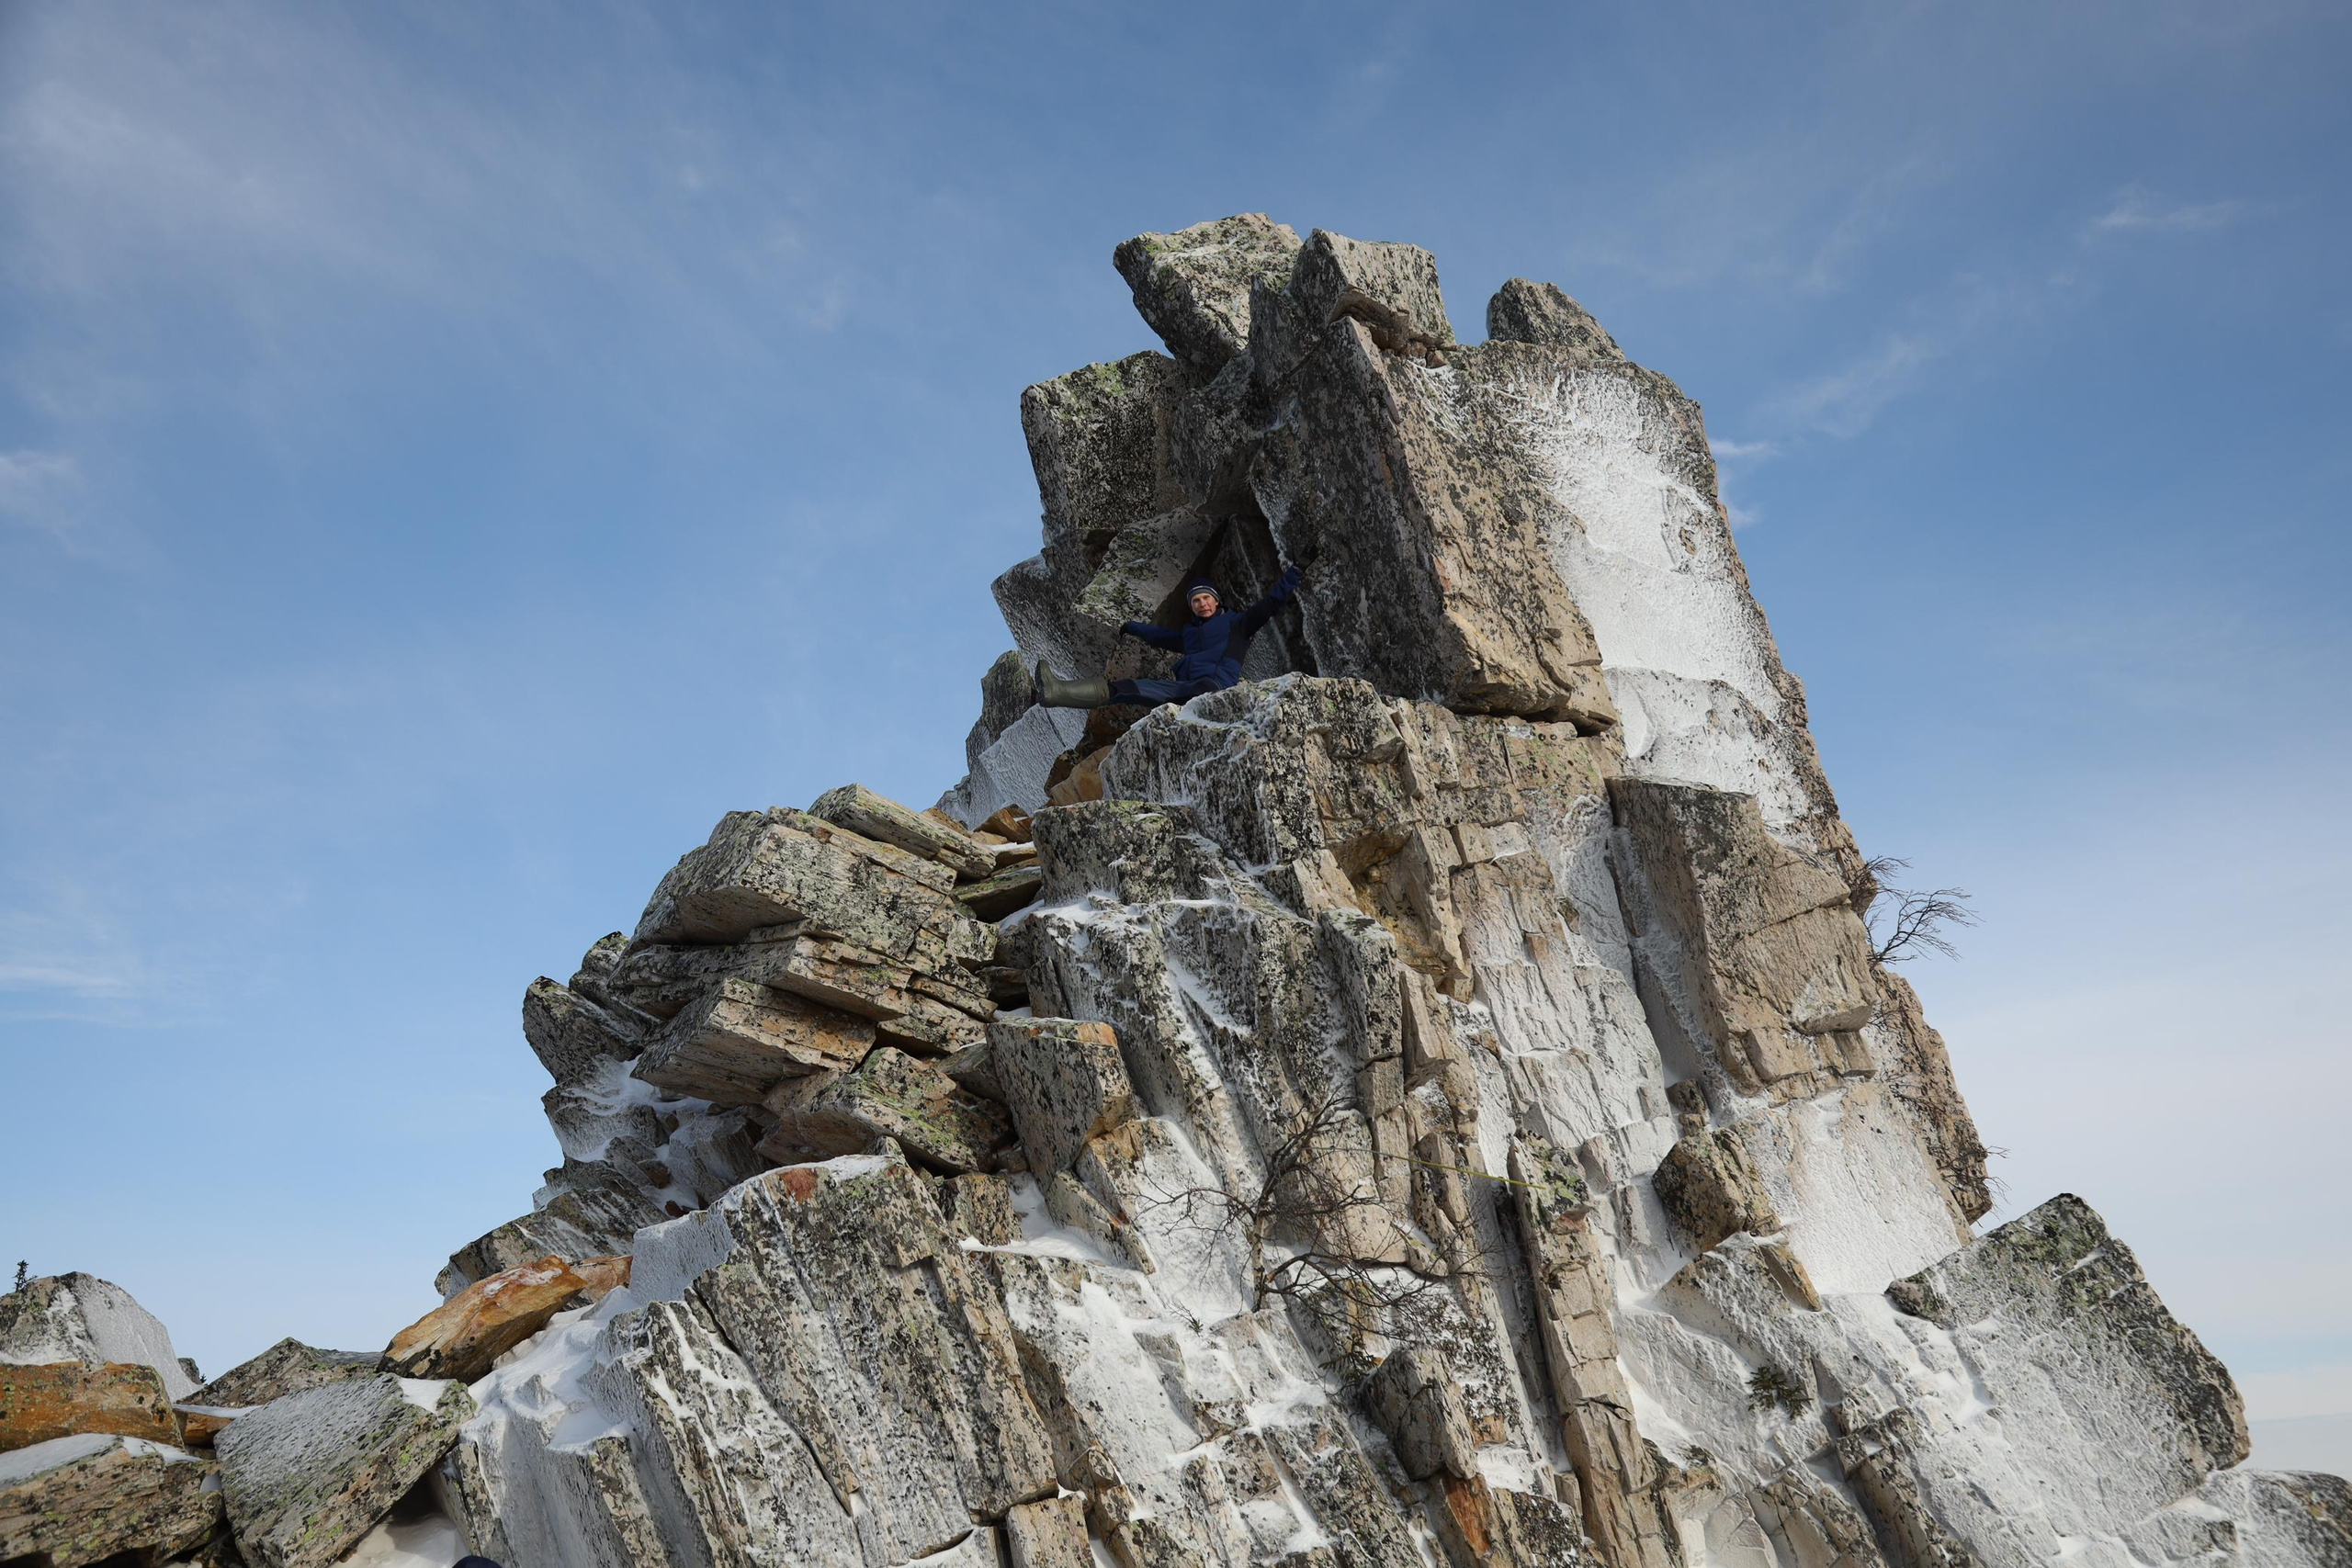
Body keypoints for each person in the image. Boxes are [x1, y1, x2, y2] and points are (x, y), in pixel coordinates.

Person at [1035, 566, 1305, 709]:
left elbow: (1271, 603)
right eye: (1196, 600)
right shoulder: (1189, 635)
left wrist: (1296, 571)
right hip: (1182, 690)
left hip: (1214, 688)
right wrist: (1131, 626)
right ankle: (1057, 693)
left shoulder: (1239, 624)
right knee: (1126, 688)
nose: (1202, 604)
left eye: (1206, 598)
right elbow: (1161, 637)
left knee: (1199, 694)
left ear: (1216, 600)